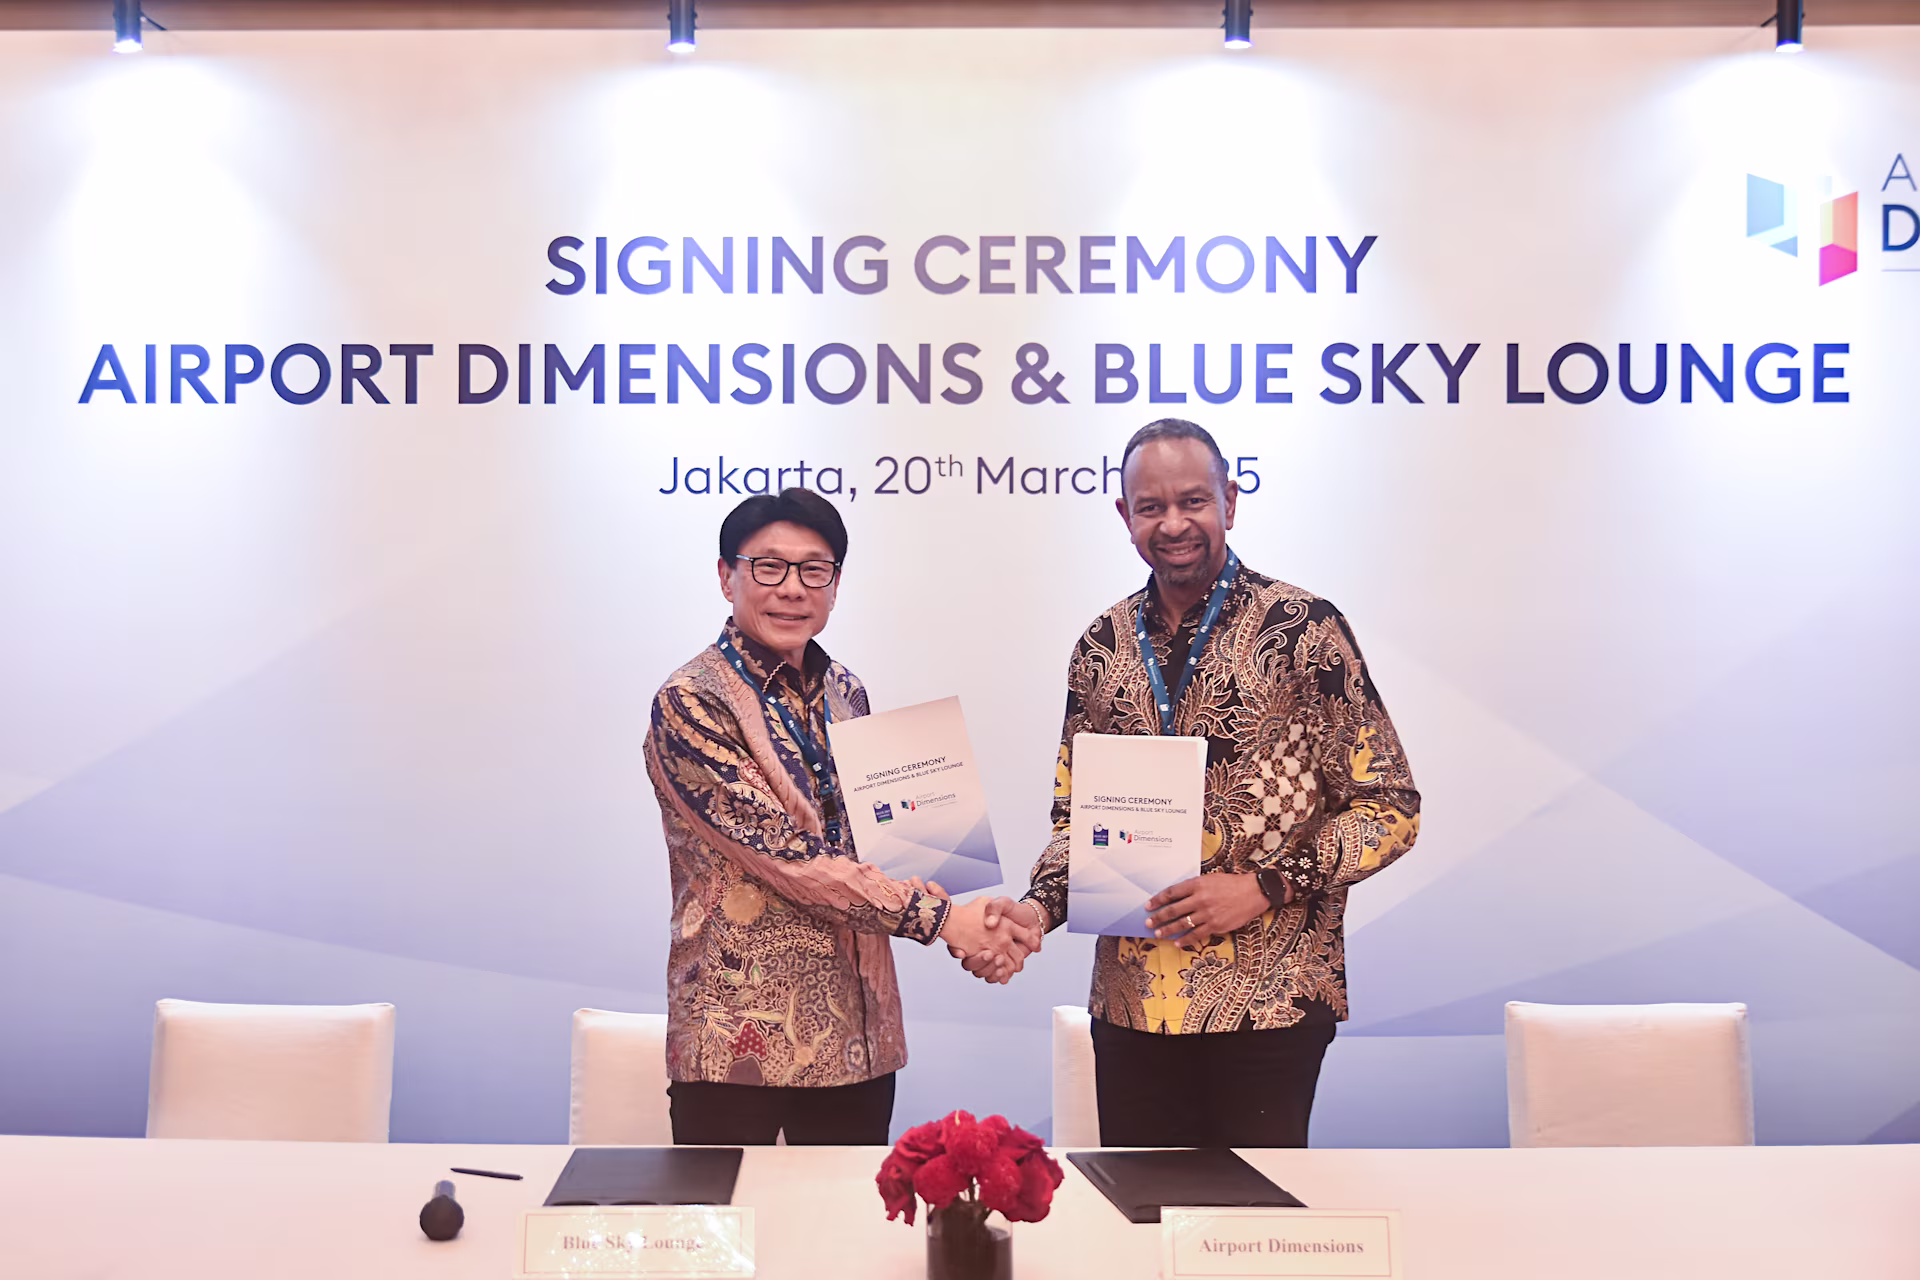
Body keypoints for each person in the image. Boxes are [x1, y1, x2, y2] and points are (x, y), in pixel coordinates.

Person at [970, 420, 1421, 1148]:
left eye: (1193, 501)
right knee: (1141, 1234)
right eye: (1151, 507)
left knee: (1252, 1245)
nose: (1173, 524)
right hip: (1132, 1006)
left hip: (1271, 1001)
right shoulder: (1100, 646)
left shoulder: (1306, 629)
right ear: (1125, 517)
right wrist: (1035, 911)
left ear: (1230, 503)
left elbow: (1390, 808)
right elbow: (1076, 820)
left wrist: (1264, 887)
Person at [644, 488, 1028, 1145]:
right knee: (736, 1241)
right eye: (768, 566)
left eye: (812, 569)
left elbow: (877, 851)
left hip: (858, 1040)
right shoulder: (691, 703)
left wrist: (971, 909)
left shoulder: (846, 690)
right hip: (740, 1047)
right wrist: (948, 922)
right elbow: (789, 862)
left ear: (835, 584)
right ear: (725, 576)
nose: (791, 588)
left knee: (848, 1242)